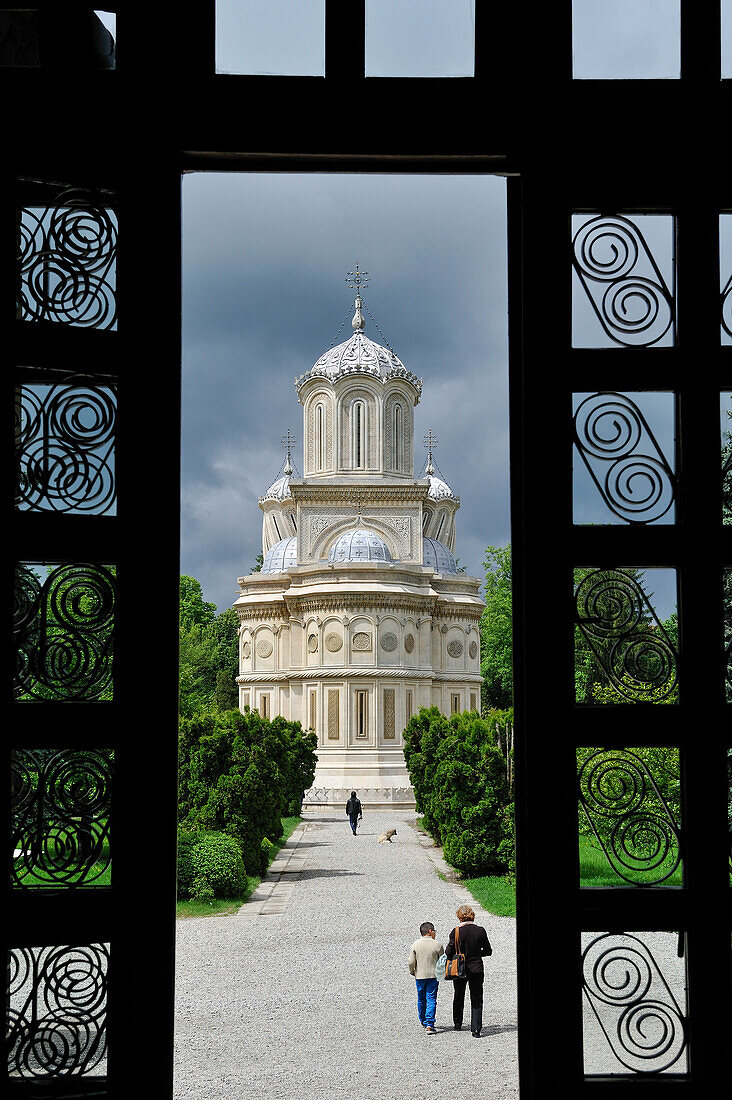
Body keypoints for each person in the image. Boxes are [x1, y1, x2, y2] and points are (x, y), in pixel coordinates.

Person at [445, 903, 492, 1037]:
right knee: (476, 997)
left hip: (460, 969)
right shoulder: (480, 930)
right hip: (477, 968)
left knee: (459, 994)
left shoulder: (456, 932)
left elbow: (449, 952)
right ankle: (476, 1029)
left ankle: (458, 1022)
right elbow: (488, 951)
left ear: (460, 917)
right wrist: (477, 954)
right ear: (472, 915)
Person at [407, 921, 444, 1035]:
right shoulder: (437, 945)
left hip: (420, 975)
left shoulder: (416, 944)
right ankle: (430, 1024)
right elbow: (442, 961)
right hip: (433, 975)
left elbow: (411, 961)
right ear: (430, 931)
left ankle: (423, 1019)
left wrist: (412, 971)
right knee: (431, 999)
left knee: (421, 998)